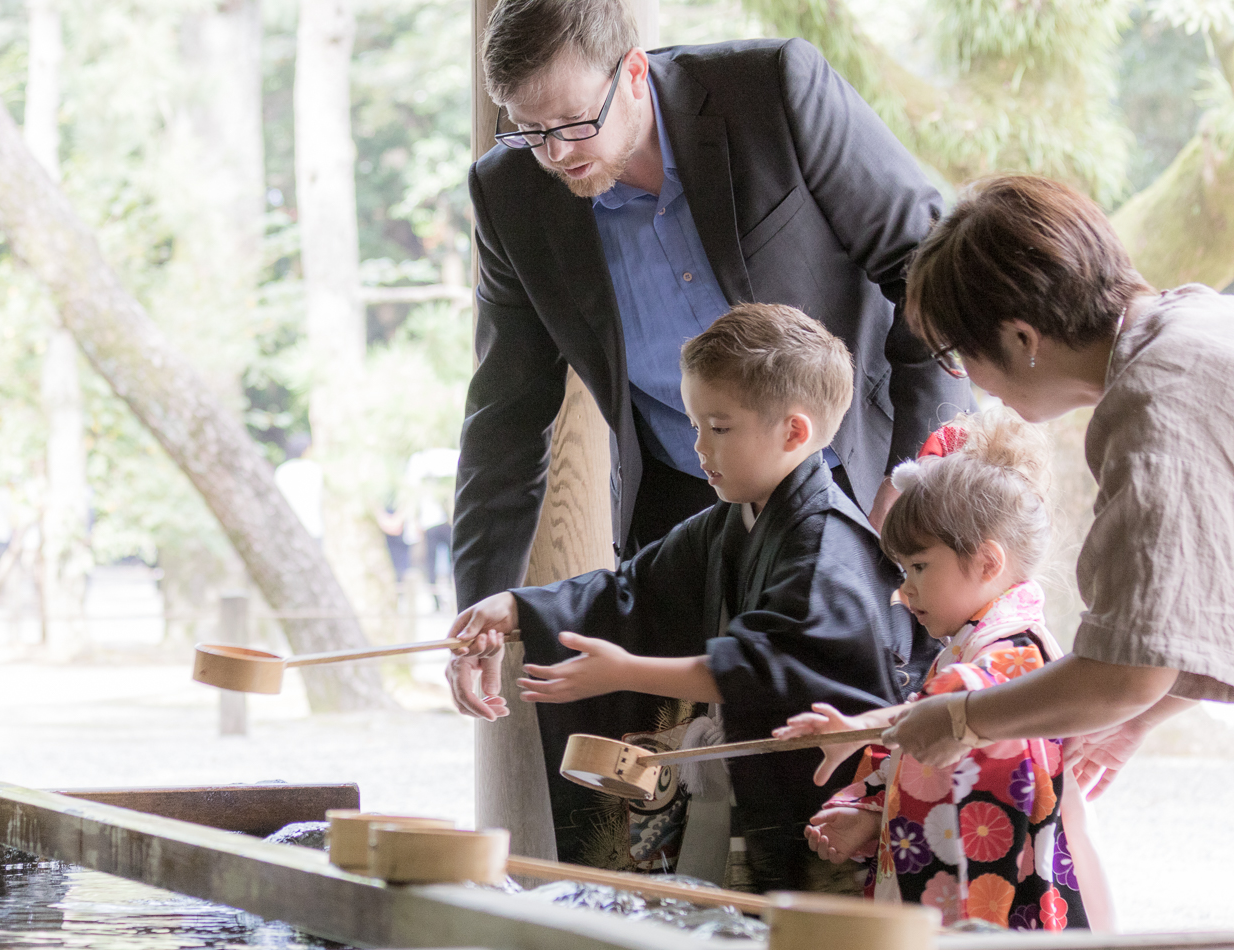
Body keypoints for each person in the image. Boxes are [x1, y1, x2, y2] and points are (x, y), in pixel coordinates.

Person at [454, 0, 972, 617]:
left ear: (636, 73)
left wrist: (916, 472)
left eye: (574, 122)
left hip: (858, 474)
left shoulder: (774, 89)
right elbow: (506, 415)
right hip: (689, 518)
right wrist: (478, 610)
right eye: (530, 131)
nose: (558, 154)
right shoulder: (510, 192)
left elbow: (928, 270)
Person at [447, 305, 928, 886]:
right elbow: (634, 590)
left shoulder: (829, 545)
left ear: (794, 431)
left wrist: (627, 671)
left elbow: (770, 667)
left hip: (837, 809)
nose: (698, 446)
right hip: (756, 805)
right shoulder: (733, 517)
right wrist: (519, 606)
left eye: (718, 428)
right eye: (694, 424)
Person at [877, 174, 1234, 789]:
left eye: (963, 354)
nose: (971, 380)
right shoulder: (1192, 319)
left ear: (1022, 337)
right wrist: (1137, 720)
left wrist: (963, 718)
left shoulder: (1155, 404)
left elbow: (1124, 672)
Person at [779, 410, 1103, 930]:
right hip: (946, 868)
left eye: (919, 568)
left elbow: (968, 702)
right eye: (904, 571)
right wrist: (865, 817)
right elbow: (934, 728)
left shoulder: (1015, 647)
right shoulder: (970, 644)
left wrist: (868, 726)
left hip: (994, 885)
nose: (903, 591)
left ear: (987, 562)